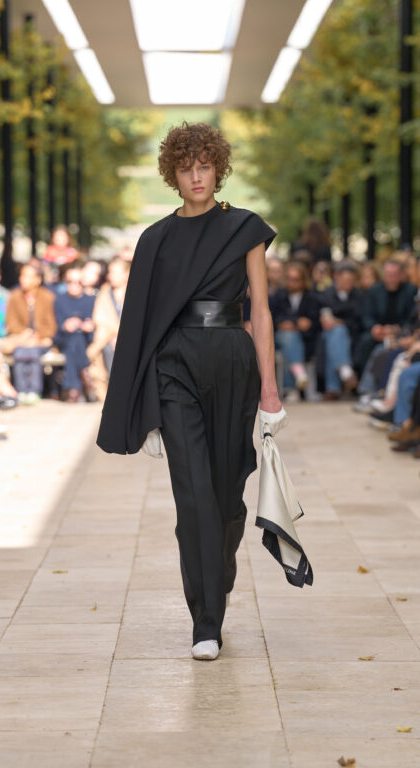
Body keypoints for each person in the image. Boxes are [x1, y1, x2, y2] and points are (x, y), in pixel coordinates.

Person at [96, 121, 287, 661]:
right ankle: (206, 620)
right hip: (174, 364)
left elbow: (260, 312)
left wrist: (270, 393)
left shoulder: (245, 228)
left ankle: (216, 578)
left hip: (231, 360)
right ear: (172, 174)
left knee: (226, 497)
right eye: (186, 168)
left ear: (218, 168)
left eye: (205, 166)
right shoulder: (155, 240)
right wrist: (146, 409)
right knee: (194, 494)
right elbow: (139, 324)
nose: (196, 177)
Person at [3, 263, 56, 404]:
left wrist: (38, 335)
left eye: (27, 276)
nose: (23, 279)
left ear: (38, 279)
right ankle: (21, 390)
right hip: (21, 339)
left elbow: (51, 324)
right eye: (22, 275)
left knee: (32, 352)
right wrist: (24, 334)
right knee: (21, 352)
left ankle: (34, 390)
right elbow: (11, 322)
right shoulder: (14, 296)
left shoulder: (47, 297)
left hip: (41, 340)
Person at [353, 260, 417, 375]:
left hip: (401, 332)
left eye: (394, 275)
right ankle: (360, 374)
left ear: (400, 275)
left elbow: (411, 318)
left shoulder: (410, 291)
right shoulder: (375, 290)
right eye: (388, 275)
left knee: (383, 351)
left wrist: (396, 329)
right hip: (379, 331)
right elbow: (367, 315)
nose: (391, 279)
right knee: (365, 342)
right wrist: (375, 328)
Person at [271, 262, 321, 397]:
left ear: (304, 280)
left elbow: (312, 322)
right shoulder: (279, 295)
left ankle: (290, 389)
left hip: (305, 339)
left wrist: (292, 323)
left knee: (288, 346)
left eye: (295, 279)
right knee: (288, 336)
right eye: (288, 279)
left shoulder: (312, 297)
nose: (291, 283)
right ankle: (299, 373)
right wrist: (296, 323)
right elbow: (273, 318)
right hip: (280, 337)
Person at [316, 261, 362, 398]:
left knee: (336, 333)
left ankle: (333, 387)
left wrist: (340, 322)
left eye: (351, 280)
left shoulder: (359, 295)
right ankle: (345, 370)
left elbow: (359, 320)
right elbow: (321, 315)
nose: (349, 283)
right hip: (327, 333)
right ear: (337, 276)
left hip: (351, 334)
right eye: (346, 280)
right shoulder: (326, 295)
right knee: (335, 333)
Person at [87, 257, 130, 401]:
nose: (111, 275)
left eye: (115, 272)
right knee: (105, 349)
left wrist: (120, 335)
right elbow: (99, 318)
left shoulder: (135, 291)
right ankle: (112, 390)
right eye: (110, 272)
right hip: (107, 337)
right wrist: (111, 335)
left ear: (126, 274)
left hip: (129, 336)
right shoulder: (105, 292)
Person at [53, 265, 97, 403]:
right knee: (74, 339)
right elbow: (56, 326)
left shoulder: (90, 300)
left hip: (83, 339)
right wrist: (65, 326)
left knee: (76, 340)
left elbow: (94, 322)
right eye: (70, 282)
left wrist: (89, 326)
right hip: (64, 339)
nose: (74, 285)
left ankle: (73, 388)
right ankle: (85, 378)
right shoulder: (59, 300)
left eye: (78, 282)